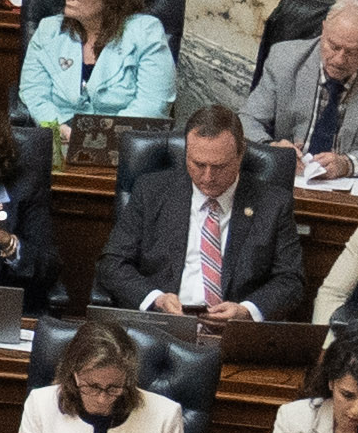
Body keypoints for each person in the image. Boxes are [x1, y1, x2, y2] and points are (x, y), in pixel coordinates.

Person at [107, 104, 300, 321]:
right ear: (186, 153)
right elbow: (113, 263)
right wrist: (156, 299)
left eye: (219, 167)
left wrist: (246, 311)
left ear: (240, 155)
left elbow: (290, 280)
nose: (207, 177)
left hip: (234, 330)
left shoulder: (273, 203)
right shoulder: (151, 191)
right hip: (163, 324)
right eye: (198, 164)